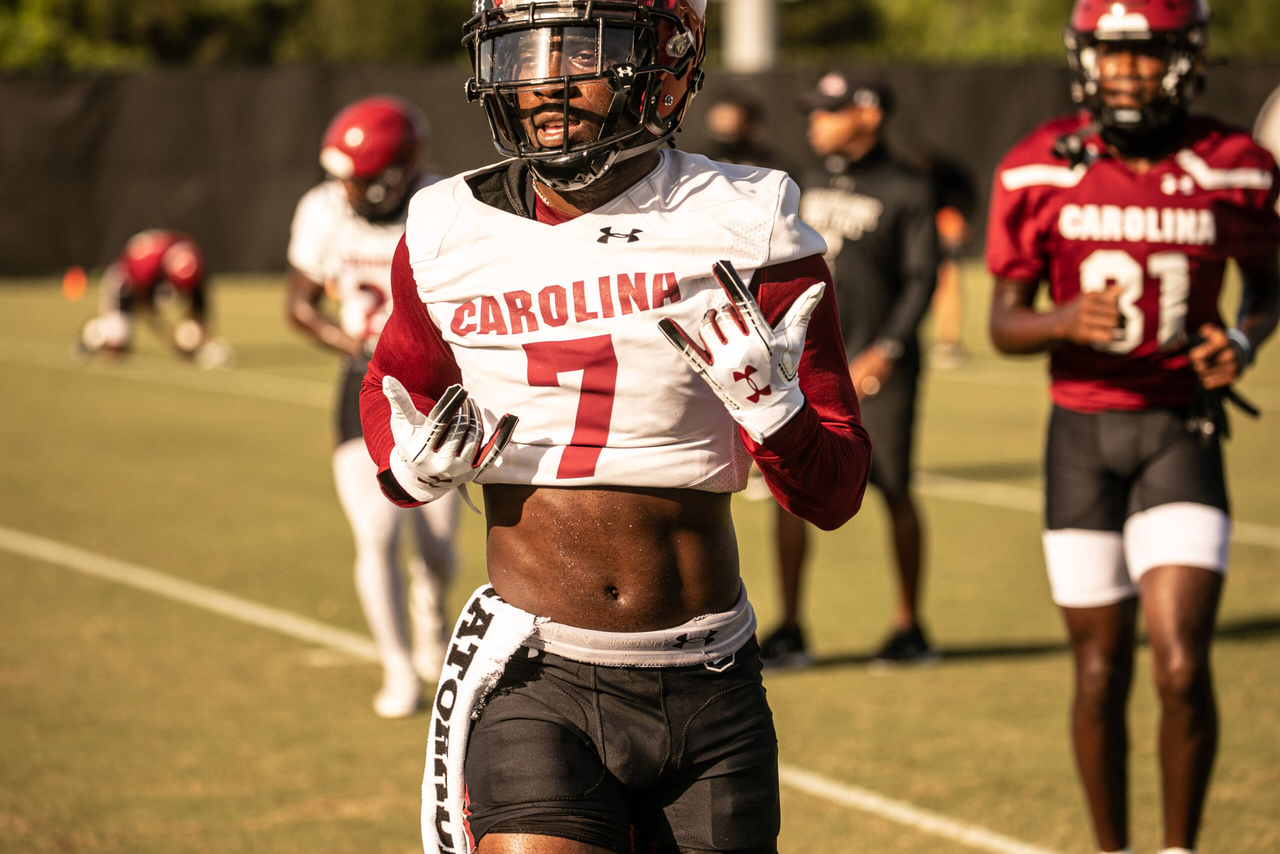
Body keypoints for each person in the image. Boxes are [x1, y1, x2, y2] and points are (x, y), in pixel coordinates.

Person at [358, 1, 873, 851]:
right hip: (536, 672)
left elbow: (836, 491)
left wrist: (775, 415)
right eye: (523, 50)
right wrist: (407, 466)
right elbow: (392, 384)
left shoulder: (747, 218)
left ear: (668, 60)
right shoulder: (448, 229)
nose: (547, 79)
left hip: (710, 673)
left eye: (584, 49)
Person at [986, 2, 1280, 853]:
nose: (1126, 73)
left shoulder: (1237, 164)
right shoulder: (1040, 165)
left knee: (1182, 664)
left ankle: (1178, 847)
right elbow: (1007, 321)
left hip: (1179, 432)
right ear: (1085, 60)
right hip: (1080, 436)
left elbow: (1269, 283)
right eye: (1111, 55)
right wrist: (1061, 321)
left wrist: (1245, 341)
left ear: (1183, 60)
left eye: (1144, 54)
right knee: (1098, 672)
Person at [286, 95, 459, 719]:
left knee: (438, 553)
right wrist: (353, 343)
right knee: (379, 530)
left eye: (358, 178)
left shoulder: (443, 207)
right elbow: (298, 306)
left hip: (437, 388)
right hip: (364, 382)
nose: (345, 190)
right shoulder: (323, 210)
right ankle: (397, 668)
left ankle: (430, 621)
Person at [758, 72, 938, 668]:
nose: (815, 121)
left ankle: (909, 626)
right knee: (787, 493)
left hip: (877, 368)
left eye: (829, 111)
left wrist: (885, 350)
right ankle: (790, 627)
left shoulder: (908, 186)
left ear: (869, 114)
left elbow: (921, 278)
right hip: (803, 365)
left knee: (892, 488)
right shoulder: (798, 181)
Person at [74, 229, 232, 369]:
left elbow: (200, 306)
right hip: (123, 284)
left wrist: (198, 338)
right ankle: (90, 337)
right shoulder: (146, 267)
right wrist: (169, 335)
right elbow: (142, 305)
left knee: (189, 323)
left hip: (153, 284)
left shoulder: (195, 263)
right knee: (118, 345)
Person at [924, 154, 977, 370]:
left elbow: (960, 234)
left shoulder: (949, 210)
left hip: (942, 256)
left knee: (950, 287)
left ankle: (948, 343)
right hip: (927, 254)